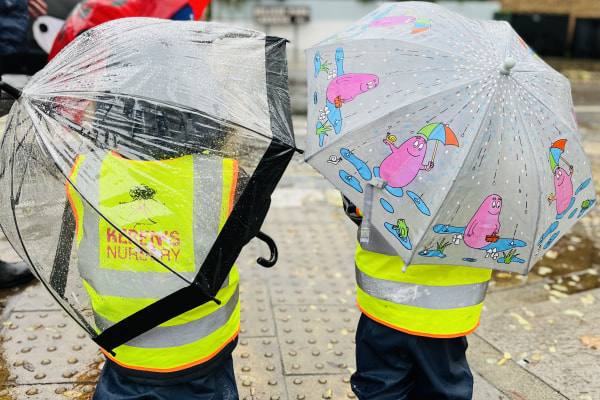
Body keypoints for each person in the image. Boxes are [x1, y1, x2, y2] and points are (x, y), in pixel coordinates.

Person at [342, 196, 492, 399]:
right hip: (446, 314)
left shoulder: (386, 163)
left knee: (382, 387)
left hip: (386, 303)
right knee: (443, 388)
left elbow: (356, 207)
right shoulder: (496, 171)